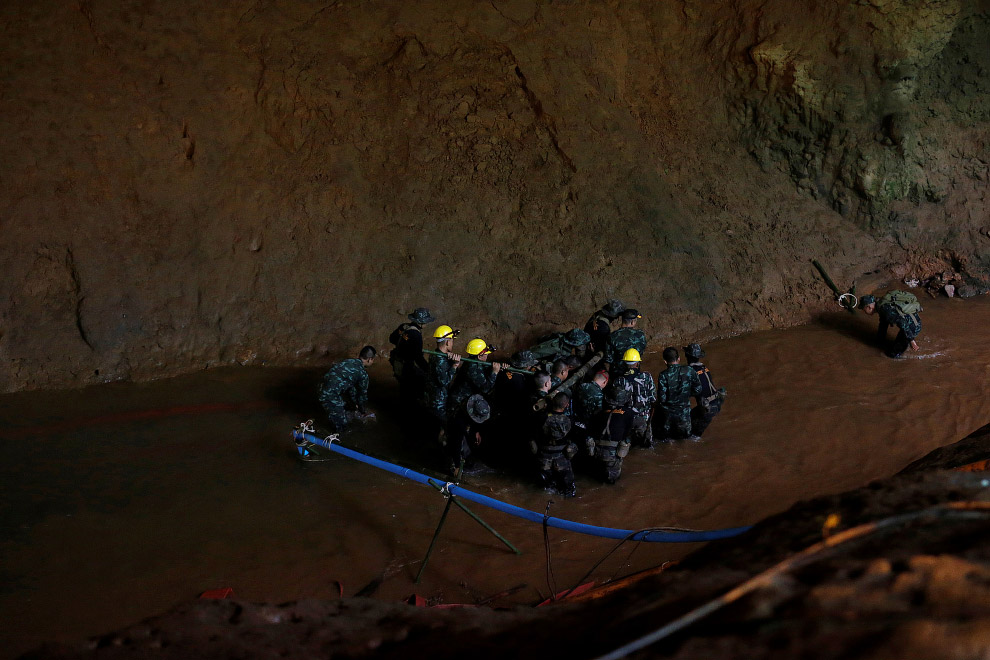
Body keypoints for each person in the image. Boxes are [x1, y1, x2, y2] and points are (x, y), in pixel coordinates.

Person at [318, 345, 377, 432]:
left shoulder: (348, 361)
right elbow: (362, 395)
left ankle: (333, 415)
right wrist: (362, 410)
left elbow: (351, 388)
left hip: (321, 387)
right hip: (330, 394)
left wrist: (354, 404)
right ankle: (335, 439)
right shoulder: (363, 374)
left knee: (340, 408)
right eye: (373, 360)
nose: (372, 362)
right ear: (369, 359)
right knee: (343, 427)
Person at [531, 392, 578, 497]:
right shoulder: (570, 420)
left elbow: (532, 433)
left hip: (543, 459)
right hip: (562, 460)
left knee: (547, 489)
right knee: (569, 490)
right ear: (566, 405)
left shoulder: (541, 418)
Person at [655, 346, 703, 442]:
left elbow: (662, 398)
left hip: (668, 417)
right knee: (686, 441)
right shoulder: (689, 370)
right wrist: (686, 395)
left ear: (665, 361)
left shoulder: (663, 375)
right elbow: (698, 389)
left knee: (668, 441)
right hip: (684, 415)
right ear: (679, 358)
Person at [388, 307, 434, 403]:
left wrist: (404, 343)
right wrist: (428, 369)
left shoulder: (404, 327)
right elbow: (418, 357)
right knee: (413, 388)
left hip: (397, 363)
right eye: (426, 321)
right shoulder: (416, 335)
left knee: (404, 388)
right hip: (406, 367)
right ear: (420, 322)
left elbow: (392, 339)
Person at [424, 325, 461, 440]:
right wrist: (455, 365)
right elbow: (444, 381)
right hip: (438, 400)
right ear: (447, 342)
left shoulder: (436, 354)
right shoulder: (441, 360)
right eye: (452, 341)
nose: (452, 343)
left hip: (432, 396)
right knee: (442, 425)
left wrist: (449, 360)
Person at [859, 291, 923, 358]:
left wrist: (912, 340)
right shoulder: (881, 305)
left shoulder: (885, 309)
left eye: (864, 309)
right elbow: (883, 324)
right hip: (909, 323)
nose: (864, 312)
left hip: (913, 326)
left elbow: (902, 323)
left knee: (893, 354)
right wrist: (879, 340)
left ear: (869, 307)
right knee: (891, 343)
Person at [614, 348, 657, 447]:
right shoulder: (647, 377)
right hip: (643, 418)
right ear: (637, 363)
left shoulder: (619, 380)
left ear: (624, 363)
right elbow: (653, 399)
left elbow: (616, 403)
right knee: (647, 446)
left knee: (626, 446)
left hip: (626, 419)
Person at [590, 387, 633, 483]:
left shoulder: (599, 413)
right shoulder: (628, 413)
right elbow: (628, 432)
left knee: (597, 478)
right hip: (613, 454)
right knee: (612, 481)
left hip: (597, 451)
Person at [448, 338, 504, 411]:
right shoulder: (473, 367)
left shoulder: (473, 360)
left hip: (463, 399)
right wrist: (494, 372)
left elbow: (484, 367)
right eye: (486, 353)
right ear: (479, 356)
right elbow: (485, 389)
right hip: (459, 402)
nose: (487, 356)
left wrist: (501, 366)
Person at [444, 394, 491, 474]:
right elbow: (457, 443)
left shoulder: (478, 403)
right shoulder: (459, 421)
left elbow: (474, 423)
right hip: (450, 427)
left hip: (463, 425)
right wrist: (457, 465)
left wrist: (477, 431)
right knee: (456, 448)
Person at [685, 343, 724, 437]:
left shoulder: (690, 371)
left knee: (692, 436)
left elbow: (686, 392)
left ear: (687, 356)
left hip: (707, 408)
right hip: (716, 403)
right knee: (691, 418)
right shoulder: (704, 368)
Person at [573, 370, 608, 457]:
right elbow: (599, 412)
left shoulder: (582, 386)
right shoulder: (599, 394)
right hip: (590, 424)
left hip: (577, 420)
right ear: (605, 381)